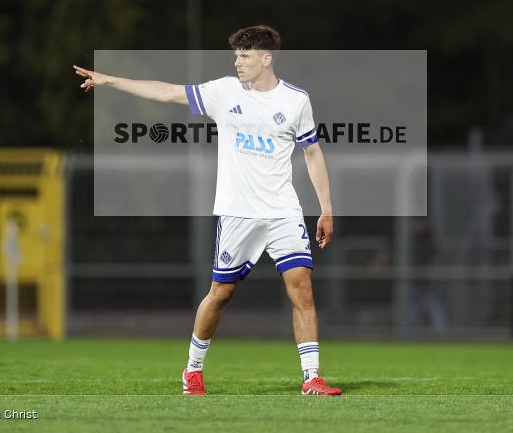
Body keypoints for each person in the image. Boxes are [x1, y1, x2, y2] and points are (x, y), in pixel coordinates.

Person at [74, 25, 342, 396]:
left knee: (303, 290)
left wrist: (326, 207)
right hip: (237, 213)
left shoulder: (296, 100)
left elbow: (312, 153)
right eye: (236, 56)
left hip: (283, 211)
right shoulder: (224, 91)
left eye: (244, 56)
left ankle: (311, 377)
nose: (237, 62)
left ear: (266, 59)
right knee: (221, 294)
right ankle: (193, 369)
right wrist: (110, 81)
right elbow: (167, 92)